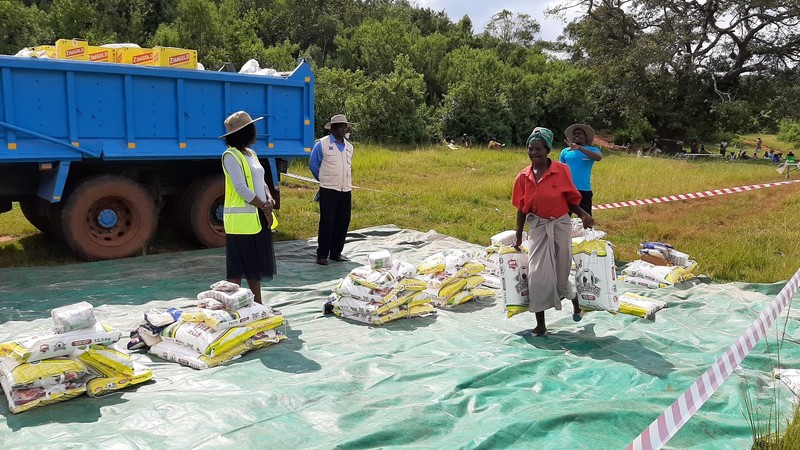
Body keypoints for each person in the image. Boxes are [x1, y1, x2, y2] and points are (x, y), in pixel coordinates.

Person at [512, 127, 594, 337]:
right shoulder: (523, 177)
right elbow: (522, 208)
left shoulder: (561, 170)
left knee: (560, 275)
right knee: (537, 275)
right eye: (530, 149)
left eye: (538, 149)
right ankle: (541, 325)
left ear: (547, 150)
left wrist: (584, 214)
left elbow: (570, 199)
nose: (534, 153)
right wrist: (519, 234)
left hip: (560, 224)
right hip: (538, 227)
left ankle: (575, 300)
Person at [220, 111, 277, 305]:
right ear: (245, 132)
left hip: (258, 218)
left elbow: (261, 182)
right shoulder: (230, 156)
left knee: (255, 267)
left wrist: (269, 200)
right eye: (252, 127)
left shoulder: (251, 154)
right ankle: (231, 309)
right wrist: (264, 206)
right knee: (237, 270)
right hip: (241, 223)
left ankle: (258, 306)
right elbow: (241, 188)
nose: (255, 131)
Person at [309, 114, 354, 266]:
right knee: (327, 222)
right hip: (328, 189)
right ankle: (322, 254)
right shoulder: (322, 144)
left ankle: (336, 253)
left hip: (345, 189)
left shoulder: (349, 146)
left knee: (343, 221)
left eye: (344, 126)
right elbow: (313, 165)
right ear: (332, 128)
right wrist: (323, 180)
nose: (343, 129)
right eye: (339, 126)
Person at [559, 124, 602, 216]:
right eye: (575, 134)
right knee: (563, 219)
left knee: (586, 218)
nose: (577, 135)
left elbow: (598, 158)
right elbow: (560, 169)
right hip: (567, 190)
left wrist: (579, 148)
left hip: (584, 190)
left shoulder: (592, 149)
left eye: (580, 133)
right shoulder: (565, 151)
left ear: (585, 137)